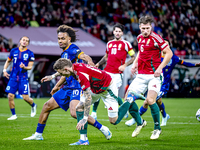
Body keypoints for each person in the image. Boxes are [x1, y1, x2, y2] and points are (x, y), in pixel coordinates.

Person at [23, 25, 112, 143]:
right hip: (67, 87)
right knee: (46, 106)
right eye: (59, 39)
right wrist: (56, 84)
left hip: (76, 86)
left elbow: (84, 56)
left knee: (75, 113)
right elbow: (66, 73)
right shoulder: (64, 54)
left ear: (69, 39)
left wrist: (90, 62)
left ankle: (102, 129)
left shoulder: (72, 48)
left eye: (63, 38)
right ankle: (38, 134)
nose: (60, 41)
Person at [52, 58, 145, 145]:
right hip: (95, 88)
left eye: (61, 73)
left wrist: (85, 118)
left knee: (114, 121)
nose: (61, 75)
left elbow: (88, 98)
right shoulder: (74, 66)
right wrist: (52, 76)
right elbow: (64, 72)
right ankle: (83, 140)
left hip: (107, 89)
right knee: (79, 108)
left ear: (66, 69)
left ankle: (130, 98)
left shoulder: (81, 75)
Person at [125, 40, 200, 127]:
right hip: (154, 82)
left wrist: (195, 65)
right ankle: (165, 116)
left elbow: (185, 63)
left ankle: (135, 119)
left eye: (166, 44)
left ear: (169, 46)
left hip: (164, 85)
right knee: (158, 101)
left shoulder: (173, 58)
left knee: (147, 101)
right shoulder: (156, 55)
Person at [124, 15, 173, 140]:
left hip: (154, 76)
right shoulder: (139, 38)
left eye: (147, 28)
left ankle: (157, 128)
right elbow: (141, 51)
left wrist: (160, 67)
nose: (145, 31)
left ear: (151, 27)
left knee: (150, 100)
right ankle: (140, 122)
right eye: (143, 28)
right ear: (139, 27)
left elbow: (169, 53)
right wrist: (134, 64)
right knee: (127, 100)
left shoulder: (156, 38)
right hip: (141, 75)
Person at [91, 23, 136, 120]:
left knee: (113, 95)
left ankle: (124, 109)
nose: (118, 33)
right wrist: (98, 64)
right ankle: (94, 112)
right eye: (116, 31)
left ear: (122, 33)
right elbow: (106, 57)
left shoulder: (126, 44)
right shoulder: (109, 44)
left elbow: (133, 58)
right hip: (107, 72)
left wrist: (124, 65)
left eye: (119, 31)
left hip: (117, 74)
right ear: (113, 32)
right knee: (98, 89)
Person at [3, 36, 37, 120]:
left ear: (28, 43)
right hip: (13, 77)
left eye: (26, 41)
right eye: (23, 40)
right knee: (10, 96)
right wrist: (4, 70)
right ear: (20, 41)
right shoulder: (13, 51)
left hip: (23, 78)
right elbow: (8, 61)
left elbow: (30, 67)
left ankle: (33, 105)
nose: (24, 41)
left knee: (25, 98)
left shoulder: (30, 53)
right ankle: (13, 115)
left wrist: (24, 67)